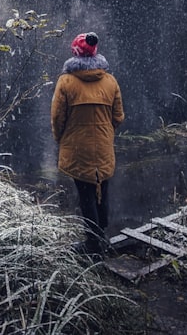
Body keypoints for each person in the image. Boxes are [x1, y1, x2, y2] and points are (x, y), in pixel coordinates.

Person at [50, 32, 125, 256]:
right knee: (103, 189)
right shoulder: (110, 81)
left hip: (76, 148)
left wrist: (60, 138)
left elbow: (57, 119)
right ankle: (102, 235)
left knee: (86, 195)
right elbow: (118, 117)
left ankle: (92, 245)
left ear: (75, 52)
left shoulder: (66, 82)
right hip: (103, 146)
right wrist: (104, 131)